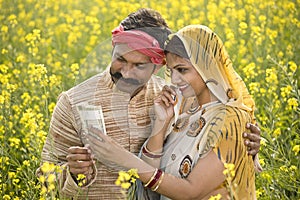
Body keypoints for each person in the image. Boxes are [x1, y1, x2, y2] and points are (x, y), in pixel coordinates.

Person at [37, 8, 261, 199]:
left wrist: (245, 146)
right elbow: (44, 180)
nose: (125, 72)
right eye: (120, 59)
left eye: (139, 66)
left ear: (158, 66)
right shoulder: (73, 102)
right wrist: (74, 174)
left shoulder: (173, 100)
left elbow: (208, 162)